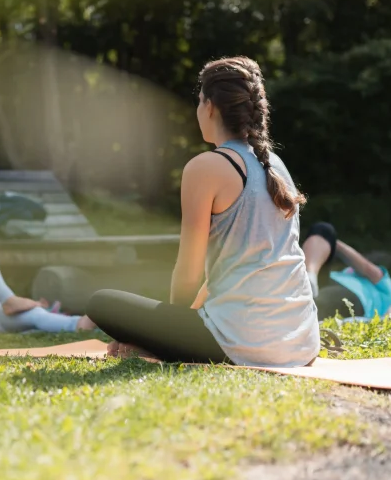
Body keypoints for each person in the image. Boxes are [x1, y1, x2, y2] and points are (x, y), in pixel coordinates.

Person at [86, 56, 319, 366]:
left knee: (101, 302)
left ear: (210, 107)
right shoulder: (276, 166)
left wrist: (165, 336)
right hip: (301, 342)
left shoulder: (205, 167)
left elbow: (188, 272)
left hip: (243, 343)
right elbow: (229, 269)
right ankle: (158, 344)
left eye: (198, 101)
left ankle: (154, 348)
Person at [302, 222, 391, 320]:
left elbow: (368, 269)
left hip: (357, 296)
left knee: (313, 304)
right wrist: (328, 239)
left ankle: (308, 277)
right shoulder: (344, 274)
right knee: (323, 229)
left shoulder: (388, 294)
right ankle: (309, 276)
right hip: (321, 282)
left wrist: (332, 242)